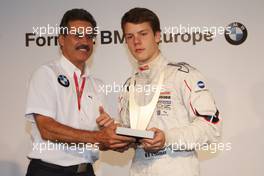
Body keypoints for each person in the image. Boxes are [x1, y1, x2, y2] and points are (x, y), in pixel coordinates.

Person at [25, 8, 135, 176]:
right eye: (77, 35)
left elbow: (98, 141)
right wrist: (98, 137)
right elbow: (47, 129)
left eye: (89, 37)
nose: (84, 41)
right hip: (49, 170)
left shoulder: (97, 85)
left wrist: (116, 140)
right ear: (62, 40)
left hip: (86, 171)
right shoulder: (46, 73)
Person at [117, 7, 222, 176]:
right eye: (130, 36)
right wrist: (116, 134)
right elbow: (131, 135)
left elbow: (211, 127)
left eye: (143, 34)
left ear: (157, 36)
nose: (136, 41)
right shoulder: (129, 85)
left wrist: (167, 138)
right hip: (139, 169)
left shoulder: (183, 75)